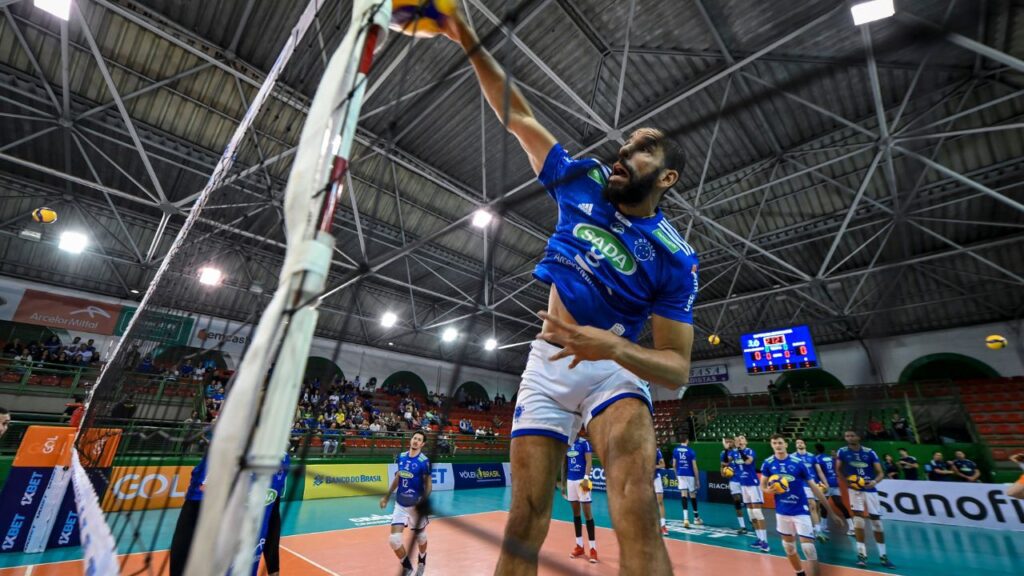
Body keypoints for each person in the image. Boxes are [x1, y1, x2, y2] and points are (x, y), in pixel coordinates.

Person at [443, 7, 697, 575]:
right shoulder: (580, 183)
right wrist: (464, 32)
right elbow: (517, 115)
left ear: (667, 178)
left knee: (637, 512)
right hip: (546, 365)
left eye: (642, 150)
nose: (623, 154)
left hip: (612, 369)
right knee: (524, 520)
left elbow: (676, 368)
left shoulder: (676, 258)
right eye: (625, 145)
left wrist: (608, 348)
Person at [170, 449, 289, 576]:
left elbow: (271, 516)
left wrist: (273, 568)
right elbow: (190, 520)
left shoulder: (281, 459)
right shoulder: (223, 452)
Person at [761, 435, 836, 576]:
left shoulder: (798, 462)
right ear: (772, 445)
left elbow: (814, 487)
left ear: (786, 444)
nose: (778, 445)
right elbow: (763, 486)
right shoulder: (768, 463)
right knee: (788, 548)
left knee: (809, 548)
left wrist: (831, 511)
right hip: (782, 512)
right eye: (775, 443)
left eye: (780, 442)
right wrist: (767, 490)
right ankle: (800, 573)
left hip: (800, 510)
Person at [836, 430, 893, 568]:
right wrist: (848, 483)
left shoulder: (869, 452)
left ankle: (883, 556)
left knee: (877, 523)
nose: (849, 438)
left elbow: (880, 473)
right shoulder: (842, 452)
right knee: (858, 522)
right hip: (855, 491)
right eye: (847, 436)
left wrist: (874, 482)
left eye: (852, 435)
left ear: (859, 436)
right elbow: (838, 470)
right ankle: (862, 555)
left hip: (870, 489)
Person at [380, 430, 432, 576]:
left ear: (423, 444)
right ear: (411, 440)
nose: (415, 441)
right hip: (400, 504)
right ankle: (407, 567)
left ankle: (422, 560)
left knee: (421, 537)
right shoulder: (401, 457)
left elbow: (428, 484)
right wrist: (386, 496)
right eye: (414, 438)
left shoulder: (424, 461)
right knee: (394, 540)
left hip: (416, 505)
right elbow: (398, 478)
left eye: (419, 439)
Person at [562, 434, 598, 563]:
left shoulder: (584, 443)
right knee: (576, 514)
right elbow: (564, 464)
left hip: (583, 481)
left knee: (587, 514)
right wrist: (563, 483)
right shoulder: (567, 444)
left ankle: (593, 549)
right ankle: (579, 546)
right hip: (570, 481)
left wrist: (586, 478)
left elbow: (589, 461)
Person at [736, 435, 768, 552]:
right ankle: (759, 539)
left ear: (746, 441)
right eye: (738, 439)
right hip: (743, 484)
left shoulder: (750, 451)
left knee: (757, 512)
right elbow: (728, 464)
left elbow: (748, 461)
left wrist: (739, 450)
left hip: (753, 484)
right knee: (751, 514)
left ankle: (765, 542)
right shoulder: (735, 453)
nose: (740, 440)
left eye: (742, 438)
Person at [813, 443, 854, 536]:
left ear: (816, 450)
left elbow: (819, 473)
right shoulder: (830, 458)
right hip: (835, 483)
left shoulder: (817, 459)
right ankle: (851, 527)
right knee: (840, 504)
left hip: (825, 485)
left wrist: (819, 483)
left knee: (823, 506)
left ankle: (823, 526)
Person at [793, 439, 827, 542]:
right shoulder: (793, 457)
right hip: (803, 484)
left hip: (815, 485)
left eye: (801, 442)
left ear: (805, 444)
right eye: (797, 443)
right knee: (811, 505)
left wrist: (825, 483)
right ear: (796, 445)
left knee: (817, 508)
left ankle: (817, 528)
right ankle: (817, 531)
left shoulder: (812, 457)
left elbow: (819, 471)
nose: (799, 444)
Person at [673, 435, 701, 528]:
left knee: (683, 494)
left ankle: (685, 519)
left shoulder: (675, 450)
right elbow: (694, 466)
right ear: (687, 441)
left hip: (680, 473)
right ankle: (696, 518)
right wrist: (697, 479)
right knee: (692, 494)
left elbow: (674, 465)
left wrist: (677, 475)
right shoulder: (691, 451)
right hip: (690, 474)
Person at [721, 437, 747, 534]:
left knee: (749, 503)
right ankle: (742, 526)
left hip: (745, 480)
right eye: (736, 440)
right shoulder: (732, 452)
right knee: (736, 502)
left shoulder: (747, 451)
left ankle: (753, 521)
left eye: (740, 440)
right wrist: (726, 449)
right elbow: (725, 462)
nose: (738, 442)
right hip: (734, 480)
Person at [655, 448, 668, 536]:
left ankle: (663, 526)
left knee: (660, 502)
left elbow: (663, 464)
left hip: (656, 478)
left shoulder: (657, 451)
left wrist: (654, 466)